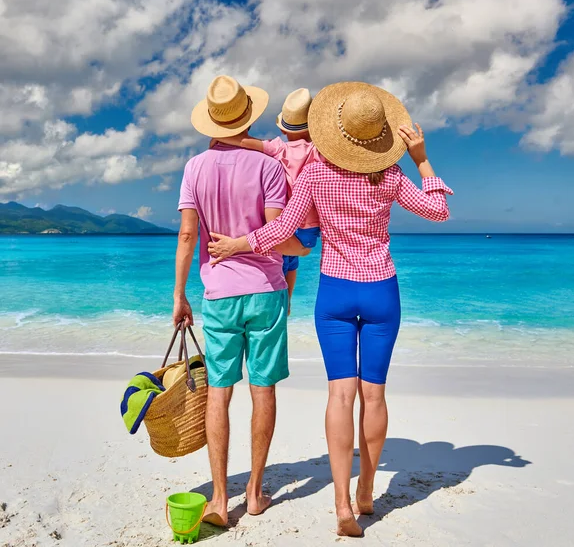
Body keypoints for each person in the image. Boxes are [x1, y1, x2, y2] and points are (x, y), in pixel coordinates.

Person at [206, 82, 453, 537]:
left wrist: (242, 243)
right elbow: (439, 211)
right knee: (374, 395)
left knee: (341, 395)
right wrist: (421, 159)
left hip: (336, 292)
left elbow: (283, 227)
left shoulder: (317, 176)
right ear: (379, 140)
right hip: (381, 289)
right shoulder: (393, 176)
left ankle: (342, 506)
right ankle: (366, 492)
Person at [172, 75, 309, 527]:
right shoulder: (269, 168)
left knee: (219, 392)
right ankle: (253, 492)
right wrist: (303, 250)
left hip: (219, 295)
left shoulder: (194, 168)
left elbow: (189, 234)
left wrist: (179, 294)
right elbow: (277, 236)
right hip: (267, 291)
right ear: (246, 118)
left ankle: (217, 499)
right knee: (262, 389)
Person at [217, 88, 322, 314]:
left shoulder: (279, 148)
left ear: (284, 128)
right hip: (311, 227)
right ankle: (289, 300)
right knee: (295, 260)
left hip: (284, 222)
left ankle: (279, 297)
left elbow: (247, 142)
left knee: (281, 259)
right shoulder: (319, 151)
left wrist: (219, 137)